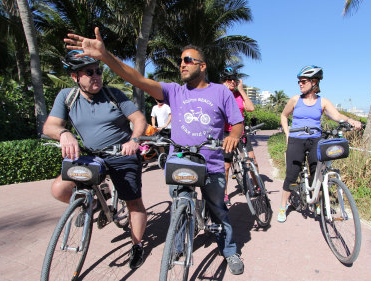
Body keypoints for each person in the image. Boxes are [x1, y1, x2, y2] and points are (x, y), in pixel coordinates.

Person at [64, 27, 246, 275]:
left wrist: (234, 136)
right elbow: (137, 79)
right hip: (180, 160)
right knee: (181, 205)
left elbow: (237, 123)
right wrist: (105, 56)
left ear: (202, 66)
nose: (181, 64)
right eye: (180, 61)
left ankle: (229, 248)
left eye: (187, 60)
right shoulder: (174, 91)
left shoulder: (220, 91)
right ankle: (178, 243)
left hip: (212, 163)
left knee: (218, 210)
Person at [42, 50, 148, 269]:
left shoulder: (114, 94)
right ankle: (98, 202)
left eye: (98, 71)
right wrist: (64, 133)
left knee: (134, 203)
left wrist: (135, 140)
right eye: (89, 72)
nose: (96, 76)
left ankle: (137, 245)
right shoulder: (67, 96)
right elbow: (50, 126)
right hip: (91, 156)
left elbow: (138, 119)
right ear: (75, 77)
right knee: (59, 190)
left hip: (122, 153)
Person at [277, 65, 362, 223]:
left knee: (318, 173)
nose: (300, 84)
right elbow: (284, 115)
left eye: (303, 81)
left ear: (314, 82)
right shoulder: (296, 99)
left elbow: (336, 115)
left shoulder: (323, 102)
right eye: (299, 82)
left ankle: (317, 201)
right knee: (291, 175)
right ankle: (283, 206)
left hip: (315, 139)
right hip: (296, 139)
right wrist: (288, 134)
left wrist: (350, 121)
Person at [220, 67, 256, 207]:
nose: (232, 82)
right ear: (223, 81)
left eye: (234, 79)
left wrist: (241, 90)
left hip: (240, 131)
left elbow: (251, 108)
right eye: (229, 79)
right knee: (226, 166)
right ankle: (224, 194)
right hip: (226, 133)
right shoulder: (219, 94)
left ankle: (257, 185)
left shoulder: (238, 95)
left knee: (252, 160)